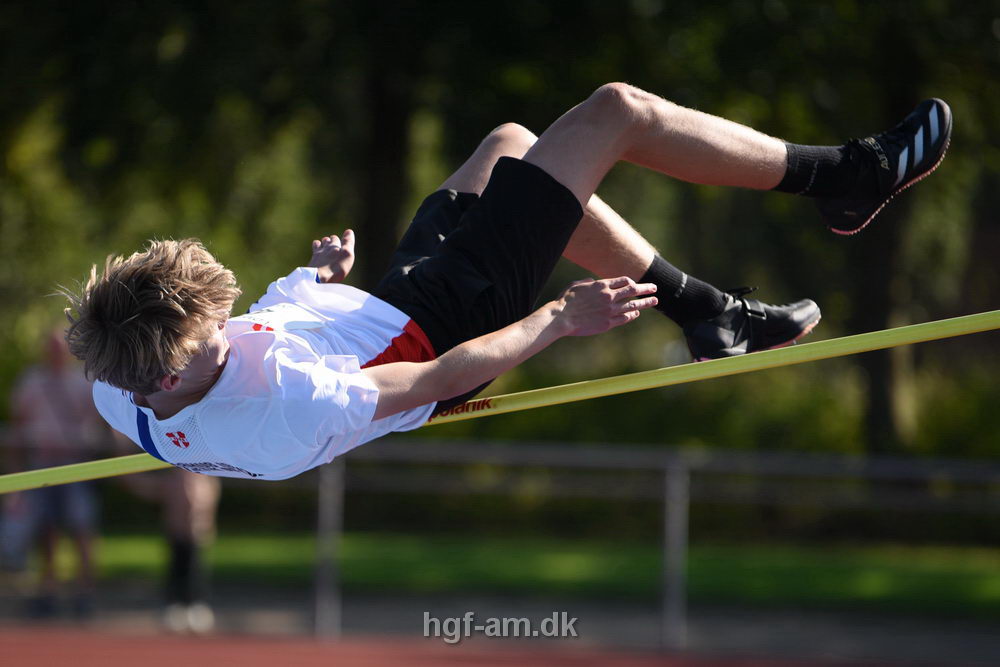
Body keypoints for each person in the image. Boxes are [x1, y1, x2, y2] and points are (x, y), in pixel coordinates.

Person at [63, 84, 951, 481]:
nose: (226, 324)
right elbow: (440, 381)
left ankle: (707, 313)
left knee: (512, 146)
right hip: (447, 324)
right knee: (614, 113)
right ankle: (844, 178)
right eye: (210, 331)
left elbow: (243, 337)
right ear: (175, 371)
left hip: (384, 299)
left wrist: (310, 280)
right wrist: (559, 319)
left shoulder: (120, 383)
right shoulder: (292, 405)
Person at [9, 329, 104, 617]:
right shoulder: (32, 382)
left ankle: (85, 590)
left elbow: (100, 421)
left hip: (76, 465)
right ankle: (48, 588)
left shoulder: (82, 382)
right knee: (45, 530)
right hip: (42, 464)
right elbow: (19, 425)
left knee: (82, 528)